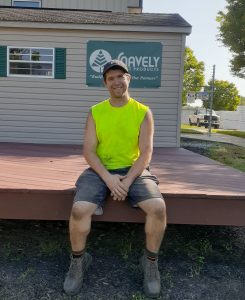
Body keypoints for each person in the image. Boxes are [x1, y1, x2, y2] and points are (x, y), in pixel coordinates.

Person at [63, 59, 167, 298]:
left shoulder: (143, 112)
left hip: (135, 169)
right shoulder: (96, 111)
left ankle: (150, 262)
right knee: (79, 209)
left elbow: (146, 153)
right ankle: (79, 261)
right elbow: (89, 151)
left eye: (120, 76)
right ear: (105, 83)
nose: (116, 81)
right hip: (100, 171)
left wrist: (127, 181)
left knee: (158, 207)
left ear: (128, 79)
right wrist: (110, 180)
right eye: (111, 78)